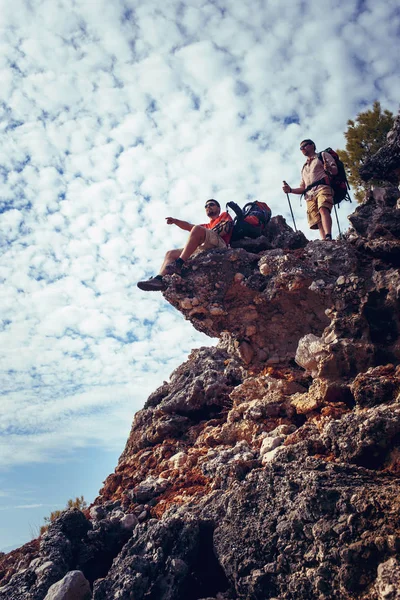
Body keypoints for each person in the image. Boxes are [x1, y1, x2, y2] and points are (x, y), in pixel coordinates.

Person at [137, 199, 233, 291]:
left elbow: (225, 228)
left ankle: (179, 263)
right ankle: (159, 279)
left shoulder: (224, 215)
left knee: (197, 229)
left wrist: (205, 232)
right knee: (170, 253)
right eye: (206, 206)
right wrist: (175, 221)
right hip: (205, 246)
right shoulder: (205, 226)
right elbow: (188, 226)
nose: (208, 207)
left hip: (220, 244)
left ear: (219, 208)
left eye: (211, 204)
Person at [282, 139, 338, 240]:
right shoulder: (304, 168)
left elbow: (335, 170)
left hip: (323, 187)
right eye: (300, 148)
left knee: (323, 208)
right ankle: (324, 240)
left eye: (304, 146)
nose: (302, 149)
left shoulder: (323, 155)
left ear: (312, 145)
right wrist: (290, 190)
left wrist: (329, 167)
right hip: (309, 195)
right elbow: (303, 188)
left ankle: (328, 235)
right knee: (317, 220)